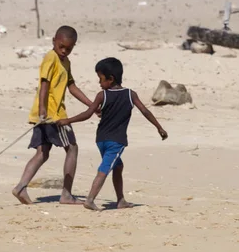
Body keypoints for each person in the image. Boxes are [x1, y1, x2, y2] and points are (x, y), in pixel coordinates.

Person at [56, 57, 168, 211]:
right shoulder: (130, 94)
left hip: (101, 140)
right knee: (104, 169)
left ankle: (121, 200)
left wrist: (68, 120)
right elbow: (145, 111)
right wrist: (159, 127)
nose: (99, 83)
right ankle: (90, 200)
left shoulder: (102, 95)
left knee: (118, 166)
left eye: (101, 79)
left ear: (111, 79)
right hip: (116, 141)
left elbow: (88, 113)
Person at [12, 25, 96, 205]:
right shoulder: (51, 58)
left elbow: (71, 86)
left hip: (45, 114)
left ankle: (21, 187)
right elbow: (44, 84)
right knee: (72, 148)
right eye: (61, 47)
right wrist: (43, 110)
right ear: (54, 41)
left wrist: (91, 105)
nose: (65, 51)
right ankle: (66, 194)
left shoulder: (66, 62)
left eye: (69, 48)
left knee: (42, 153)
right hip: (54, 115)